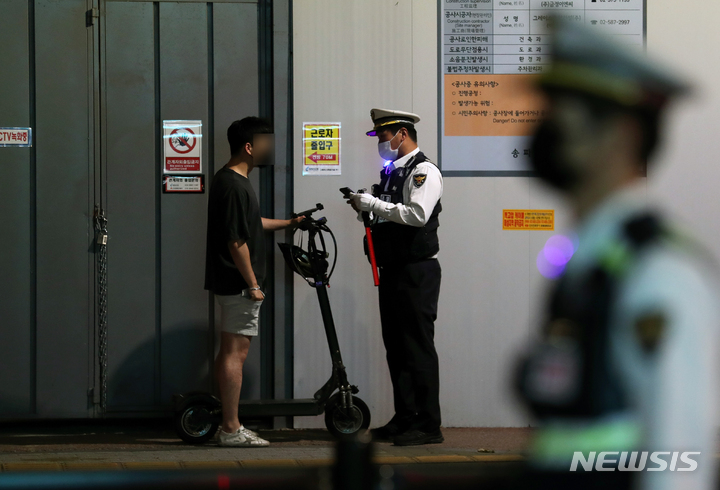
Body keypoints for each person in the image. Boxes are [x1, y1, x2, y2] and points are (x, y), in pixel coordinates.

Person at [514, 20, 719, 490]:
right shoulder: (589, 260)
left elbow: (678, 464)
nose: (543, 127)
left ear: (621, 133)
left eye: (561, 111)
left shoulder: (658, 273)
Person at [347, 109, 444, 446]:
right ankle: (405, 418)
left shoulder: (423, 171)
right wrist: (366, 206)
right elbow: (389, 215)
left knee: (417, 348)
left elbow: (417, 215)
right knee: (397, 349)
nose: (381, 143)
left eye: (384, 136)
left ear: (402, 134)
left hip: (416, 272)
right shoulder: (392, 173)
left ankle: (429, 425)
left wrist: (373, 204)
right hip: (392, 270)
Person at [204, 117, 303, 447]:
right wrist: (252, 284)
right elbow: (236, 241)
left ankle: (229, 425)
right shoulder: (232, 184)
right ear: (249, 147)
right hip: (238, 285)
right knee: (236, 354)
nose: (269, 149)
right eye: (265, 142)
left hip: (235, 284)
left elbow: (250, 224)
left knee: (229, 351)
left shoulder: (235, 181)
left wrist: (289, 222)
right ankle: (231, 429)